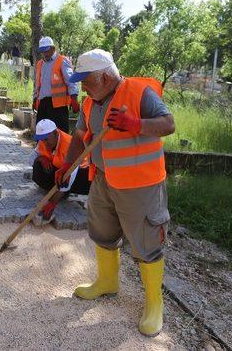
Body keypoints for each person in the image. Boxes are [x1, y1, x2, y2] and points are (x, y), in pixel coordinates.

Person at [54, 48, 175, 336]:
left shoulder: (139, 93)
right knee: (102, 231)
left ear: (106, 77)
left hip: (141, 185)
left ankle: (154, 305)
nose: (82, 86)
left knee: (146, 240)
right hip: (105, 180)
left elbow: (168, 124)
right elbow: (82, 136)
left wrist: (136, 125)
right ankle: (107, 282)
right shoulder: (90, 102)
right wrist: (67, 166)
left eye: (87, 80)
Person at [29, 119, 91, 224]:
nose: (44, 142)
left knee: (71, 179)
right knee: (38, 165)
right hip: (60, 172)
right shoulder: (43, 141)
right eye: (41, 139)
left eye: (46, 139)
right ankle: (54, 190)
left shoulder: (69, 145)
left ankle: (61, 193)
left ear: (55, 133)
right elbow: (31, 160)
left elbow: (70, 177)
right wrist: (41, 159)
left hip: (81, 175)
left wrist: (52, 203)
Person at [32, 36, 80, 133]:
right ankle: (41, 148)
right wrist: (35, 99)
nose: (44, 54)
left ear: (53, 49)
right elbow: (38, 84)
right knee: (42, 133)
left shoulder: (62, 61)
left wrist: (74, 98)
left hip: (58, 106)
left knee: (59, 133)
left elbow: (71, 80)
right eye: (42, 51)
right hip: (43, 104)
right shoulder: (40, 64)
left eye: (46, 50)